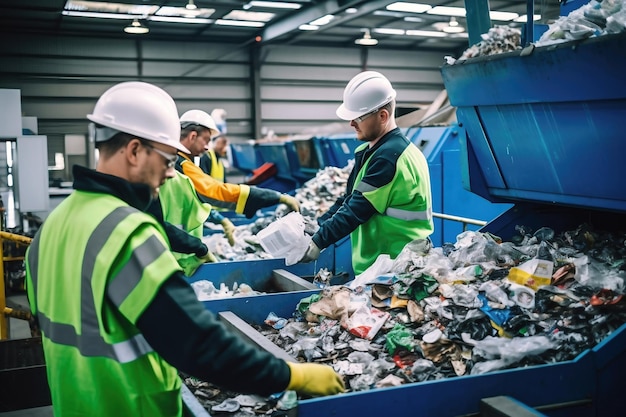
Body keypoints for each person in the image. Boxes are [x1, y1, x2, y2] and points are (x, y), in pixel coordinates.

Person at [24, 81, 344, 417]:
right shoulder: (126, 233)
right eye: (166, 159)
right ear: (134, 151)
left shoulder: (50, 228)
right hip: (129, 405)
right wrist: (292, 374)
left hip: (72, 405)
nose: (169, 173)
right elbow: (196, 343)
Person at [299, 71, 434, 275]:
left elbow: (356, 209)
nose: (351, 124)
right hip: (381, 264)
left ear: (383, 116)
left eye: (357, 118)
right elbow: (348, 200)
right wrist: (317, 225)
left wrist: (318, 242)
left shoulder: (390, 157)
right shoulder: (373, 152)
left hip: (396, 266)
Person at [175, 109, 300, 218]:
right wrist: (274, 197)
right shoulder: (182, 165)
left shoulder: (175, 161)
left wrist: (220, 220)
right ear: (192, 136)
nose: (208, 147)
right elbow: (214, 190)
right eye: (206, 141)